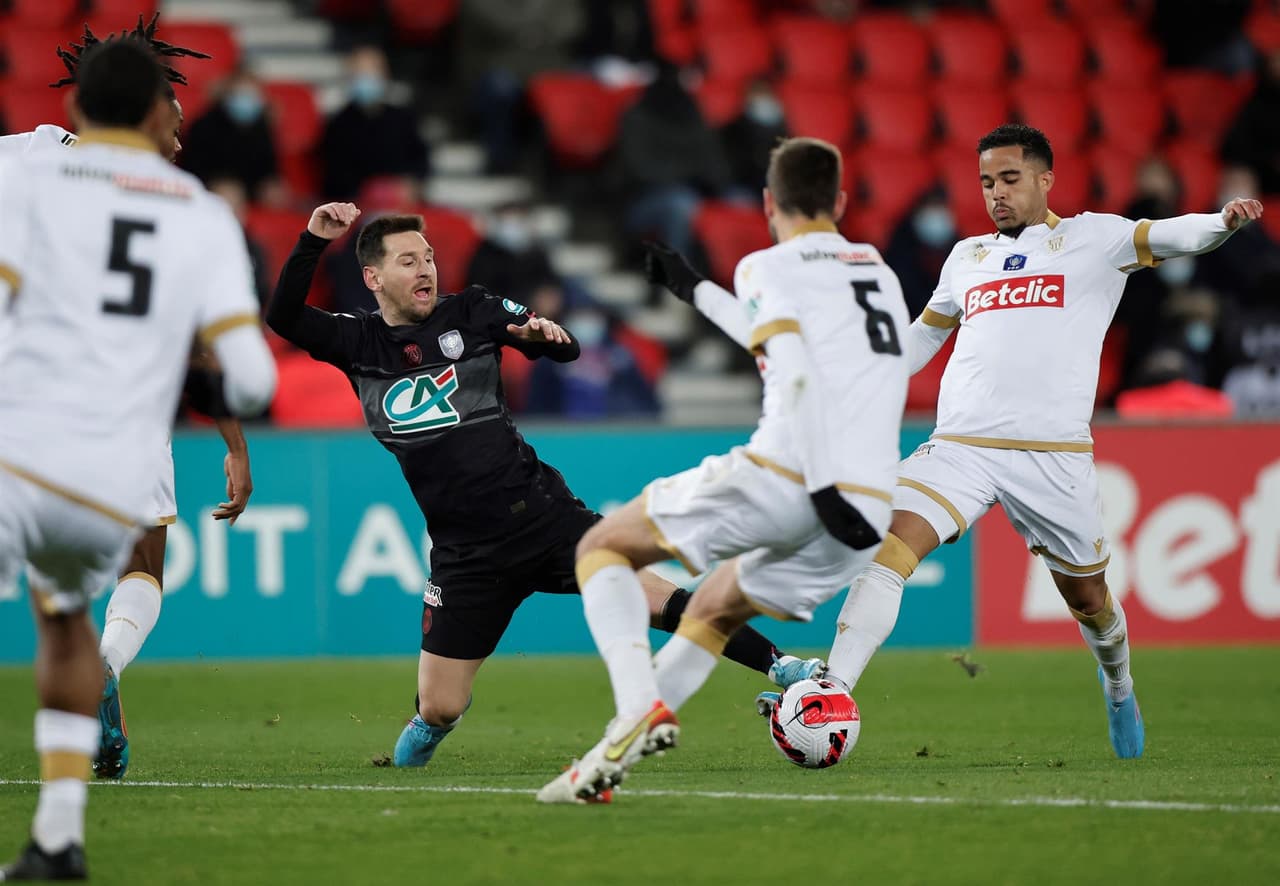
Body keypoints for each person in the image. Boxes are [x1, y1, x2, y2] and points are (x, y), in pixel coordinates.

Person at [765, 124, 1264, 761]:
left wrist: (1222, 221)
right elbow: (922, 338)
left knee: (1089, 602)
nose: (996, 194)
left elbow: (1168, 235)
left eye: (1009, 179)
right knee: (887, 549)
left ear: (1045, 178)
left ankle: (1118, 686)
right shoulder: (966, 256)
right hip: (961, 447)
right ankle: (831, 692)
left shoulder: (1093, 239)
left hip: (1051, 456)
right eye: (986, 182)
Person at [264, 202, 816, 770]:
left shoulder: (472, 309)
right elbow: (283, 317)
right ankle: (413, 756)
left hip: (544, 518)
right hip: (465, 554)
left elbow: (562, 346)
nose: (425, 269)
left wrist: (543, 336)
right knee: (440, 706)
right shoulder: (357, 343)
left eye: (429, 257)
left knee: (657, 598)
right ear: (374, 278)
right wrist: (311, 240)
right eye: (408, 261)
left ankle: (785, 668)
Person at [538, 137, 910, 804]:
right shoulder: (877, 273)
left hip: (794, 475)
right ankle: (604, 763)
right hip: (869, 506)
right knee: (711, 609)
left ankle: (636, 709)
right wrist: (693, 287)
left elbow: (791, 366)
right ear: (842, 201)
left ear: (769, 203)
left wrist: (819, 487)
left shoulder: (767, 264)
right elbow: (792, 341)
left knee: (600, 548)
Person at [0, 39, 275, 880]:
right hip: (118, 446)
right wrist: (233, 437)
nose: (183, 139)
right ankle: (58, 834)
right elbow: (251, 375)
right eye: (179, 120)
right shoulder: (198, 212)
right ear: (157, 113)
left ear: (78, 106)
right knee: (83, 605)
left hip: (20, 433)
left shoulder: (25, 167)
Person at [320, 46, 429, 201]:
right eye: (361, 72)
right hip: (357, 206)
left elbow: (420, 158)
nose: (367, 78)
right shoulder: (338, 124)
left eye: (372, 71)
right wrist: (369, 192)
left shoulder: (402, 118)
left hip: (403, 200)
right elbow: (335, 175)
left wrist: (410, 183)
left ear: (384, 74)